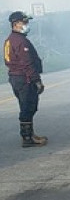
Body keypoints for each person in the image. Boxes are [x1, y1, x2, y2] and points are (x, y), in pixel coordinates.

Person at [3, 11, 47, 147]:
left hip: (16, 77)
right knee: (28, 107)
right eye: (24, 22)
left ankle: (30, 134)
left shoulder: (10, 40)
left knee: (27, 106)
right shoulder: (20, 41)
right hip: (24, 79)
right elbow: (27, 63)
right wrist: (37, 81)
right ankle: (27, 137)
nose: (27, 25)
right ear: (16, 24)